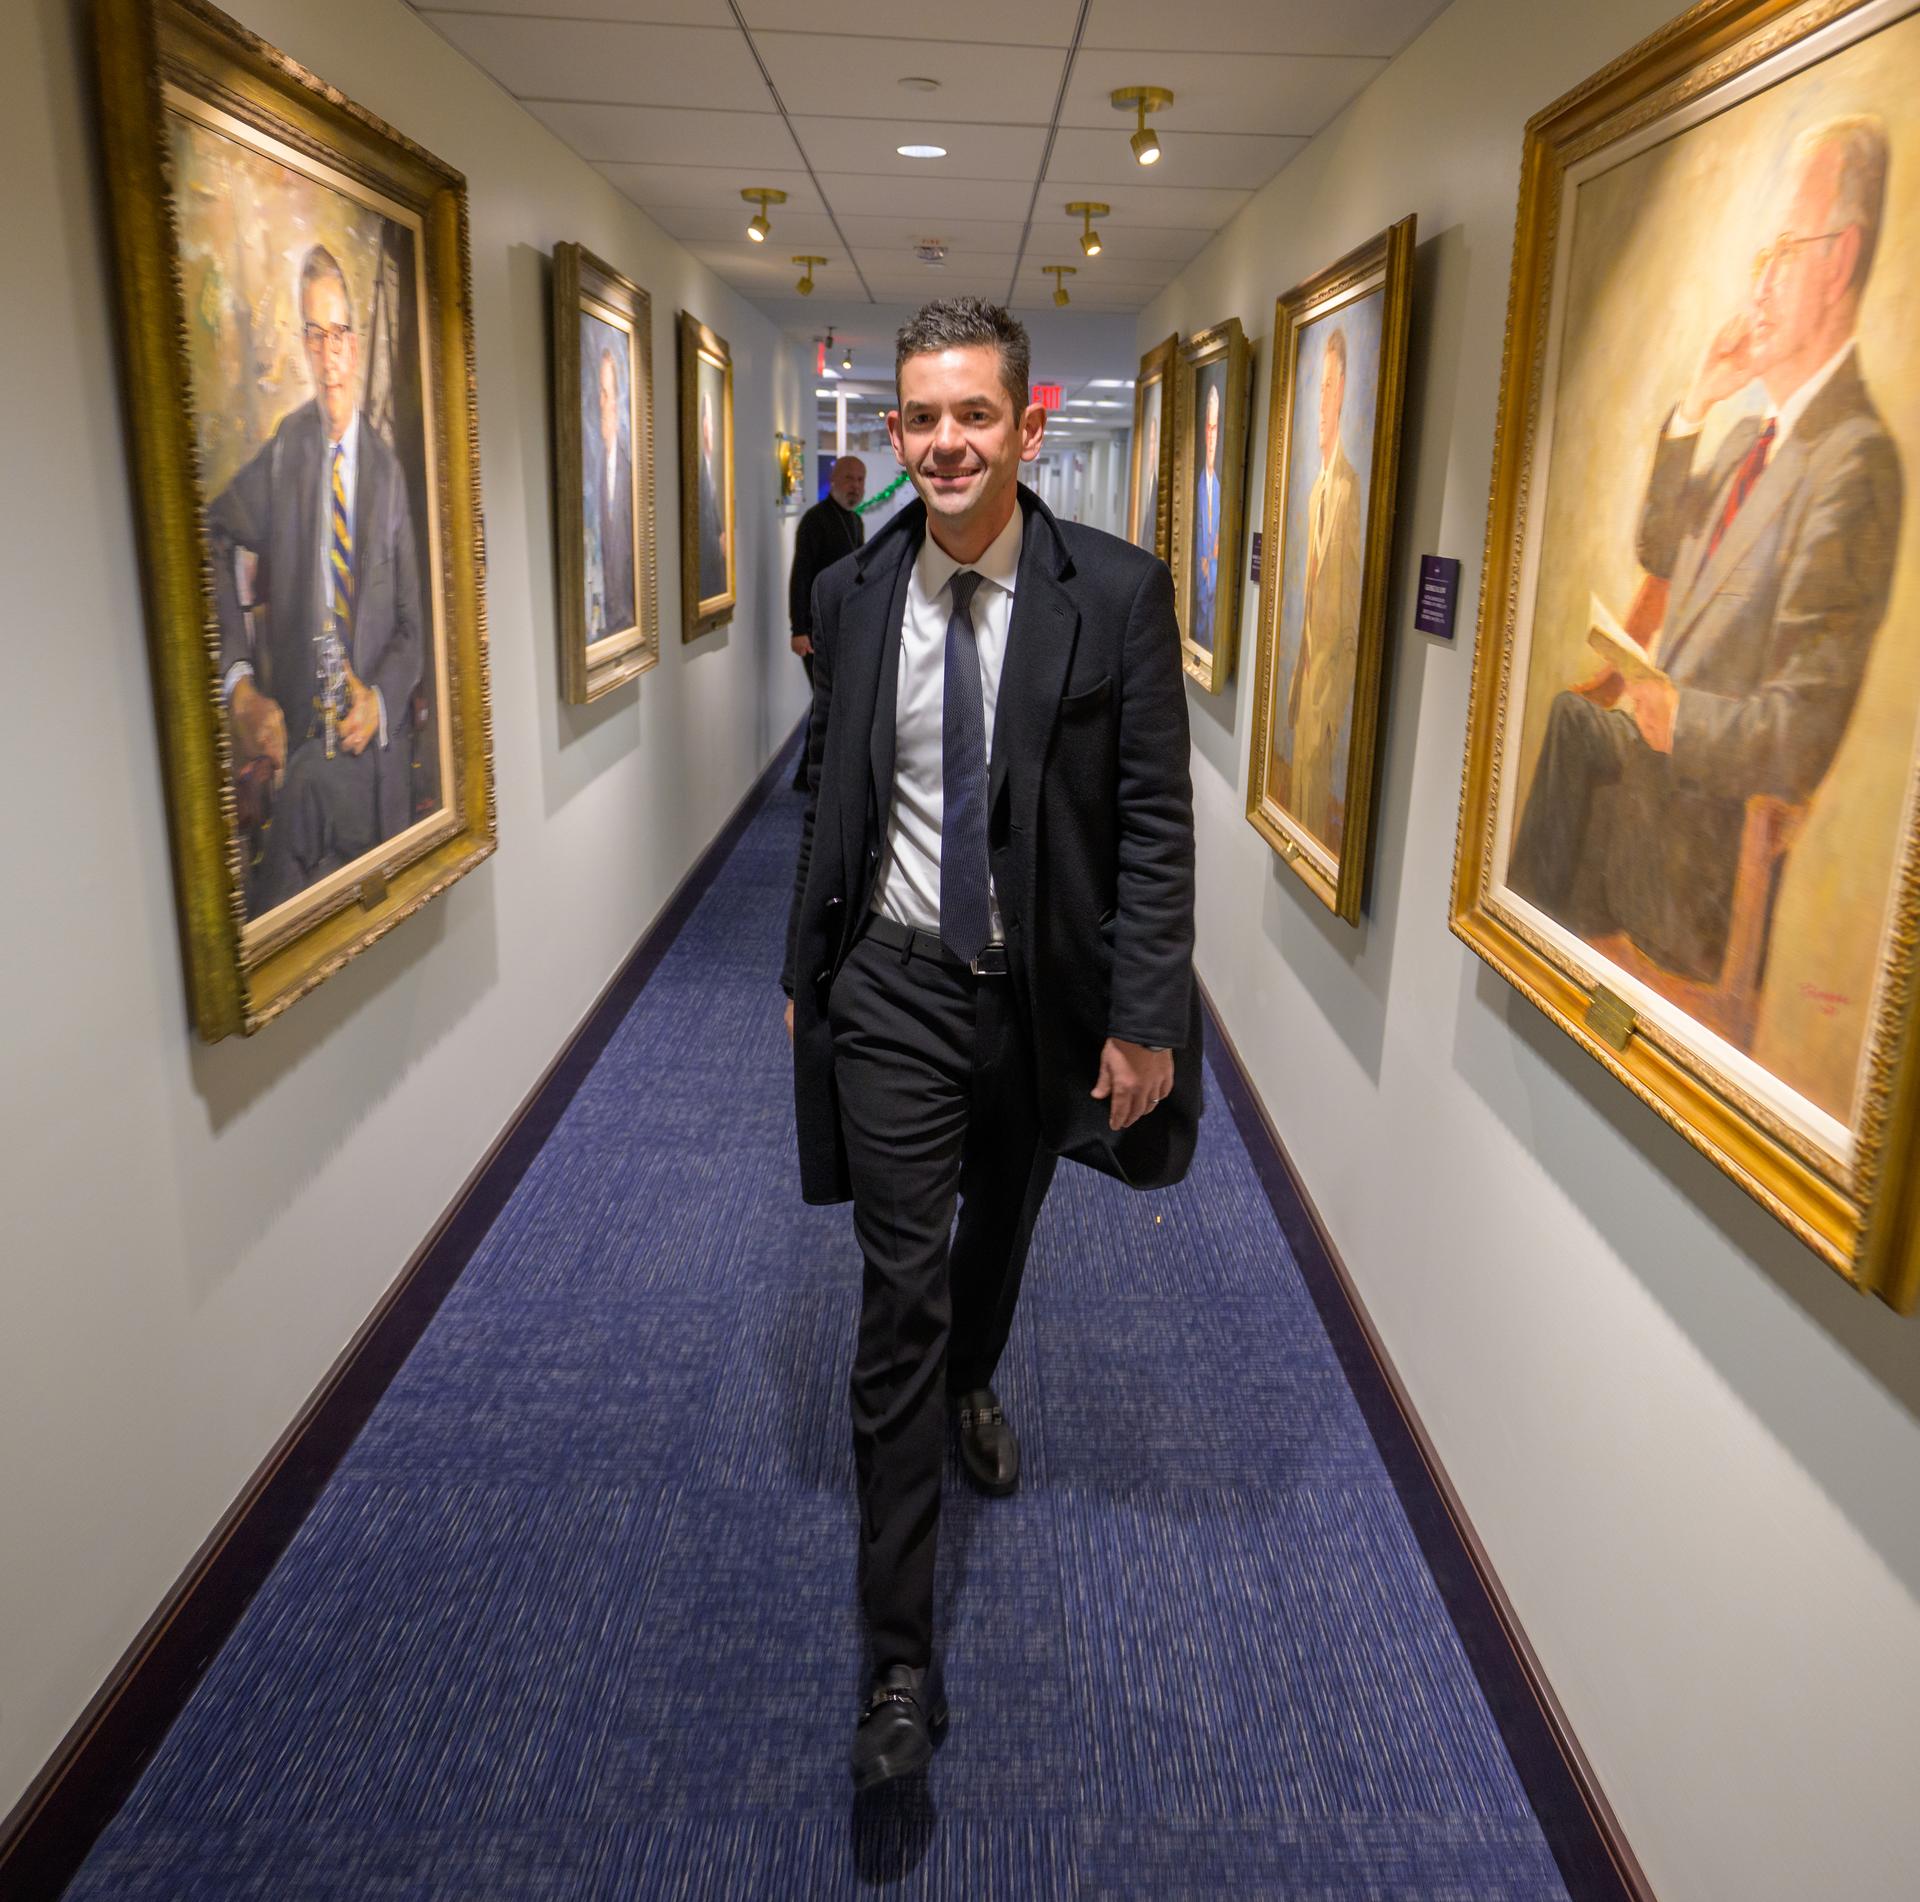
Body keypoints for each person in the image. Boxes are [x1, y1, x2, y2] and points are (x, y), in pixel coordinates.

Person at [781, 297, 1201, 1790]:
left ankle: (979, 1372)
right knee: (899, 1290)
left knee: (1000, 1230)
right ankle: (897, 1658)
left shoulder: (1119, 595)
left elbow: (1153, 817)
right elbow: (834, 791)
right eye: (920, 417)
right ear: (891, 434)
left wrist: (1146, 1011)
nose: (946, 442)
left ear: (1029, 423)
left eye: (973, 414)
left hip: (1043, 995)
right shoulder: (855, 598)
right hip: (891, 984)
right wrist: (800, 969)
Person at [1509, 115, 1902, 1003]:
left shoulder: (1855, 463)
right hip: (1643, 784)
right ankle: (1516, 960)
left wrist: (1676, 719)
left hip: (1700, 845)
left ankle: (1518, 956)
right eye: (1758, 257)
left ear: (1838, 261)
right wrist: (1696, 402)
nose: (1757, 286)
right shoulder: (1745, 440)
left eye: (1782, 256)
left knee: (1577, 739)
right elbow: (1657, 547)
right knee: (1574, 729)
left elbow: (1799, 734)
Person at [209, 243, 424, 915]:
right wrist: (239, 684)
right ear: (304, 343)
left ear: (356, 345)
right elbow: (210, 530)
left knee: (301, 807)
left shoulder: (388, 476)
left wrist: (379, 704)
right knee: (300, 796)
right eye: (314, 333)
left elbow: (416, 629)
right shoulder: (289, 449)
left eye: (338, 334)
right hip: (299, 731)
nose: (328, 354)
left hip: (370, 754)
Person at [1283, 327, 1361, 846]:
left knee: (1314, 818)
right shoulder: (1315, 492)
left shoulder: (1350, 493)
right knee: (1301, 810)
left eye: (1329, 387)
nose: (1320, 403)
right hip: (1305, 682)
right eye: (1318, 389)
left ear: (1344, 392)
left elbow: (1352, 614)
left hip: (1327, 690)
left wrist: (1333, 705)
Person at [786, 454, 867, 787]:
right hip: (815, 632)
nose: (855, 486)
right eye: (849, 479)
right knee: (825, 701)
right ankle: (810, 775)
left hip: (843, 630)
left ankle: (810, 772)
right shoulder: (815, 521)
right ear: (833, 480)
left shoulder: (854, 522)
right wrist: (798, 629)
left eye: (860, 480)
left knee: (830, 701)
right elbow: (800, 575)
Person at [593, 344, 636, 637]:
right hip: (606, 622)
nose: (600, 402)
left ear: (617, 402)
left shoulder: (630, 471)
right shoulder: (594, 469)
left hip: (626, 617)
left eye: (606, 394)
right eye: (599, 392)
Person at [1192, 379, 1222, 642]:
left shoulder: (1221, 488)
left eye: (1217, 429)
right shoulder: (1197, 484)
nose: (1212, 437)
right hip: (1201, 604)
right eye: (1209, 428)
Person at [697, 384, 728, 602]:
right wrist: (718, 542)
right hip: (707, 578)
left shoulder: (711, 471)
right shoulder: (701, 476)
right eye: (709, 422)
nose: (712, 428)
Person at [1135, 395, 1160, 549]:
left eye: (1153, 442)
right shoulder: (1144, 485)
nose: (1151, 449)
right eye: (1149, 442)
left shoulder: (1157, 487)